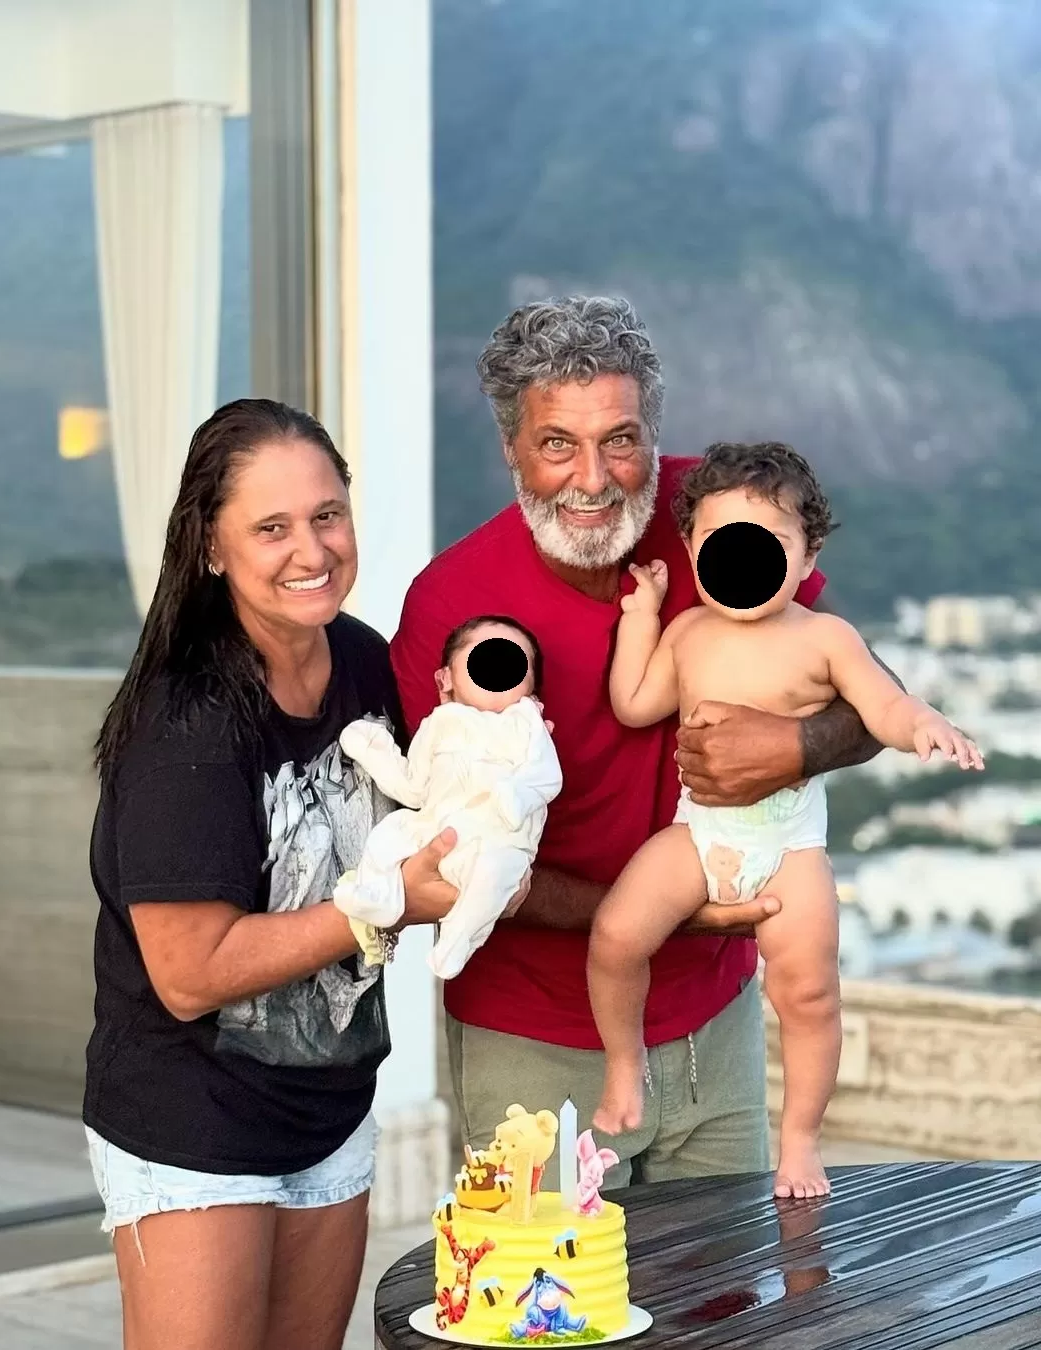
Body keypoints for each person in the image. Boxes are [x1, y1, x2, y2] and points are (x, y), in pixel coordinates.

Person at [391, 296, 902, 1189]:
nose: (593, 477)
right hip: (536, 1038)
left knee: (726, 1310)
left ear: (654, 437)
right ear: (512, 447)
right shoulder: (450, 604)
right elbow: (458, 851)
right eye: (557, 444)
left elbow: (866, 691)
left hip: (719, 1024)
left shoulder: (717, 514)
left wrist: (796, 745)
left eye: (620, 440)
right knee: (556, 1317)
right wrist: (658, 911)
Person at [83, 399, 459, 1350]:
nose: (312, 549)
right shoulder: (191, 720)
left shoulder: (368, 665)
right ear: (213, 547)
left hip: (327, 1108)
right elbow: (190, 972)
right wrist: (386, 907)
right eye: (272, 527)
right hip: (192, 1125)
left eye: (328, 515)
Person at [589, 440, 983, 1198]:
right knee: (615, 936)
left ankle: (800, 1140)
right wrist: (640, 617)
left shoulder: (824, 638)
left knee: (808, 995)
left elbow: (883, 707)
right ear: (696, 548)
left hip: (790, 846)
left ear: (806, 557)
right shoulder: (688, 632)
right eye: (721, 542)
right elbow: (634, 702)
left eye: (767, 543)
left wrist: (925, 724)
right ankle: (623, 1064)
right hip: (698, 834)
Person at [334, 616, 562, 978]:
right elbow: (413, 784)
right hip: (434, 826)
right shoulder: (440, 723)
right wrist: (372, 749)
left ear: (530, 691)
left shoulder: (524, 724)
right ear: (446, 679)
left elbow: (547, 776)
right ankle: (374, 893)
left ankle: (458, 940)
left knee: (494, 874)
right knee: (390, 832)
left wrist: (513, 795)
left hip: (496, 834)